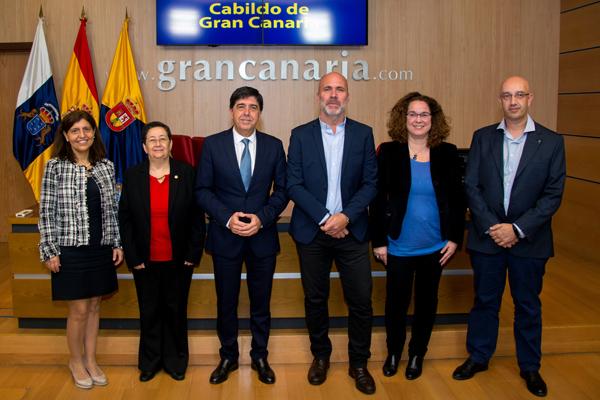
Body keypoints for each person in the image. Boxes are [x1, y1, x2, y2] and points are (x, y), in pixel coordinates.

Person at [452, 76, 566, 397]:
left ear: (530, 98)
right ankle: (479, 356)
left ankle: (530, 367)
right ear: (500, 100)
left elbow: (553, 195)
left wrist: (516, 229)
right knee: (485, 301)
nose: (513, 101)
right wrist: (493, 227)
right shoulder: (483, 138)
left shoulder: (552, 142)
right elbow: (471, 187)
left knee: (527, 304)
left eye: (519, 95)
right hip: (488, 238)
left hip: (530, 241)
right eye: (506, 95)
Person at [286, 72, 378, 395]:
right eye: (328, 89)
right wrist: (327, 218)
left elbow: (370, 183)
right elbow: (292, 183)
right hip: (312, 232)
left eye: (340, 89)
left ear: (348, 96)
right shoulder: (299, 135)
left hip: (352, 232)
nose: (334, 95)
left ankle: (359, 363)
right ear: (318, 96)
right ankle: (321, 357)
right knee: (315, 298)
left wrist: (345, 217)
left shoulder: (364, 134)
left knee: (361, 301)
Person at [195, 86, 288, 385]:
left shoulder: (274, 146)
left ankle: (260, 356)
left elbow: (283, 191)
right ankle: (229, 357)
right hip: (226, 237)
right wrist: (226, 218)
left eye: (253, 107)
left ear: (260, 113)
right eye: (240, 106)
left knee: (261, 302)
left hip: (262, 236)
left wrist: (261, 218)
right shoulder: (212, 145)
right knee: (226, 302)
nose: (247, 112)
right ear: (231, 111)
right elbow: (202, 190)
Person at [371, 92, 465, 380]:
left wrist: (454, 238)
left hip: (435, 247)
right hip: (398, 245)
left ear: (433, 120)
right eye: (413, 114)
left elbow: (458, 199)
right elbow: (377, 199)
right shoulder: (388, 151)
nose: (419, 119)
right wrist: (379, 241)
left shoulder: (448, 153)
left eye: (425, 114)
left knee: (426, 304)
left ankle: (416, 355)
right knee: (395, 306)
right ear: (403, 118)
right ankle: (394, 352)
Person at [38, 110, 123, 389]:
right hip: (69, 249)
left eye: (87, 129)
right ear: (65, 135)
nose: (82, 135)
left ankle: (91, 359)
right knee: (78, 310)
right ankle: (75, 361)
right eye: (75, 131)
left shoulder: (106, 166)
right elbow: (47, 212)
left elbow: (112, 210)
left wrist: (116, 242)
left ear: (94, 133)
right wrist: (49, 249)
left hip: (100, 248)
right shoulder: (54, 167)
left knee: (96, 306)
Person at [119, 121, 205, 382]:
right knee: (149, 311)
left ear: (170, 144)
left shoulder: (187, 173)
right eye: (152, 140)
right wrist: (132, 256)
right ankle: (150, 361)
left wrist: (193, 253)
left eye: (162, 139)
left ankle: (176, 361)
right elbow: (125, 219)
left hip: (179, 258)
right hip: (145, 259)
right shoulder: (133, 176)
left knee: (176, 310)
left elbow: (196, 218)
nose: (158, 144)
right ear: (144, 147)